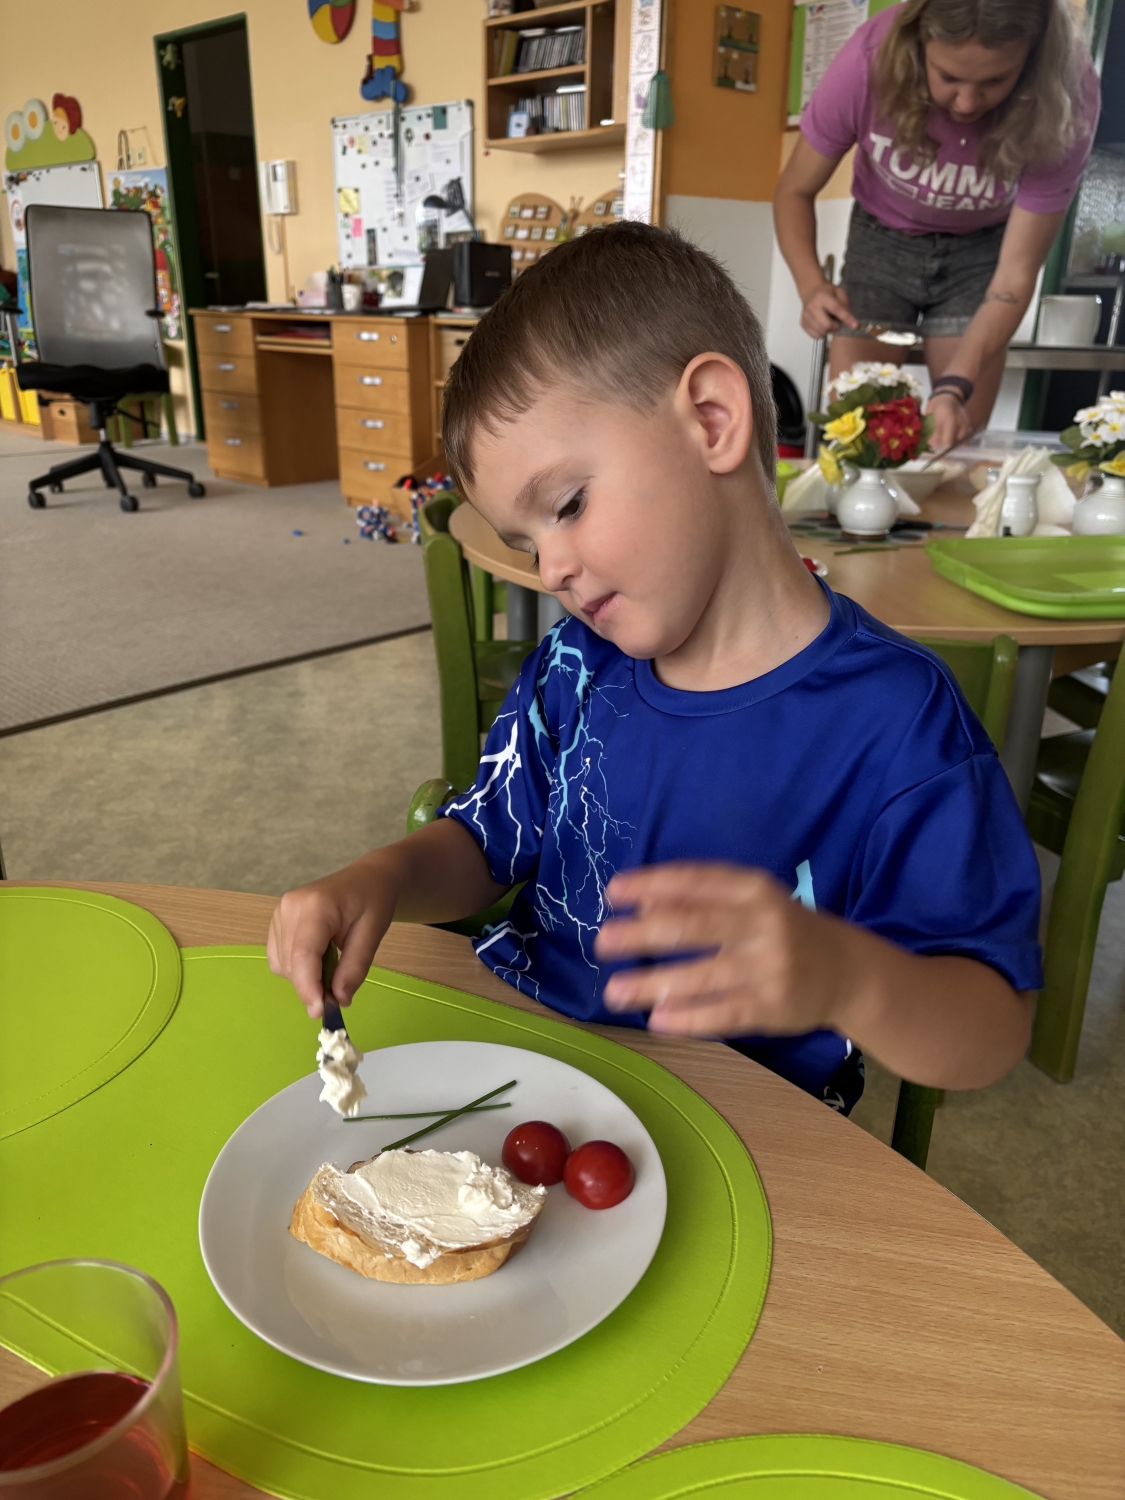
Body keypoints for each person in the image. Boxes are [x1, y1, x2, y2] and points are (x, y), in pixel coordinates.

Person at [268, 224, 1042, 1115]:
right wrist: (386, 876)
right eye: (527, 542)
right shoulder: (573, 664)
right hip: (528, 1083)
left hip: (743, 1131)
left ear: (711, 419)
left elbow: (990, 1031)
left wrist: (847, 977)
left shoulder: (897, 722)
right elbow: (486, 843)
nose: (551, 569)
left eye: (567, 505)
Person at [774, 0, 1100, 448]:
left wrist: (953, 388)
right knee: (856, 436)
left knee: (954, 439)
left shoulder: (1066, 96)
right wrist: (811, 285)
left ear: (1031, 60)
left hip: (983, 251)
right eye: (948, 77)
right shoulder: (868, 60)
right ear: (919, 44)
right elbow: (794, 190)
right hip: (880, 239)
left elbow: (1016, 274)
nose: (966, 103)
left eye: (995, 80)